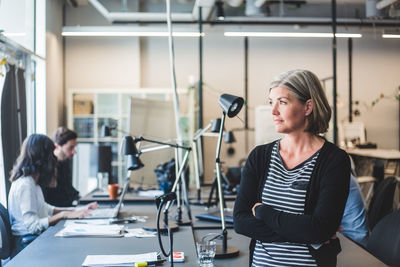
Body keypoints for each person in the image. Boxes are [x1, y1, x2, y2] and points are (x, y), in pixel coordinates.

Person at [233, 69, 350, 267]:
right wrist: (305, 231)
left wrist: (263, 213)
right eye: (272, 102)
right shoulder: (259, 156)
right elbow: (240, 221)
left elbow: (319, 229)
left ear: (308, 107)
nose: (273, 111)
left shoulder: (334, 161)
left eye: (283, 102)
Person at [8, 134, 98, 257]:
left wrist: (77, 210)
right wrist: (63, 215)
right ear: (43, 157)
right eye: (51, 153)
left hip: (32, 239)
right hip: (26, 244)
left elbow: (47, 209)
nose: (54, 158)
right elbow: (33, 226)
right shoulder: (25, 184)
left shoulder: (33, 182)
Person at [42, 127, 79, 207]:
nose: (74, 152)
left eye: (74, 147)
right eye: (71, 148)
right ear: (57, 146)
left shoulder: (65, 163)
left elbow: (69, 189)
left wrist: (83, 201)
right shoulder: (46, 168)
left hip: (68, 210)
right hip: (56, 213)